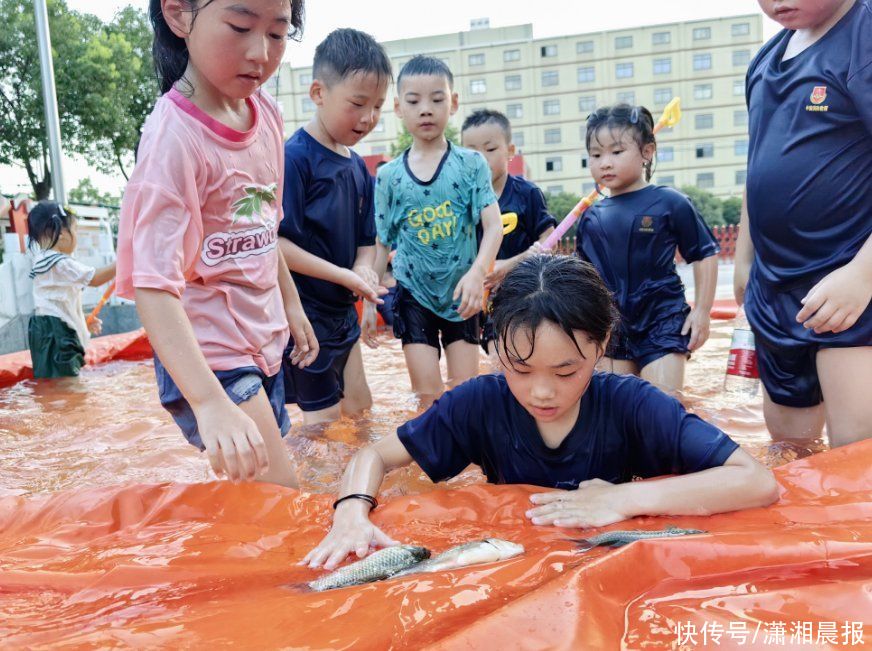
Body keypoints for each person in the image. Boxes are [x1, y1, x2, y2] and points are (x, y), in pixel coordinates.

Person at [302, 255, 778, 569]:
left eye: (566, 371)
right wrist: (350, 512)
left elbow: (757, 481)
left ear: (602, 346)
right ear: (494, 347)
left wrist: (622, 500)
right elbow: (374, 456)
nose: (542, 392)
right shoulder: (479, 402)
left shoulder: (633, 404)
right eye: (519, 369)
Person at [116, 0, 317, 487]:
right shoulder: (173, 139)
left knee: (263, 490)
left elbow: (266, 229)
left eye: (276, 33)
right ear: (180, 15)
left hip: (262, 341)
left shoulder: (265, 113)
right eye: (240, 26)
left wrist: (292, 305)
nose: (259, 53)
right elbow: (153, 285)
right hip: (210, 357)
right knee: (282, 498)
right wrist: (208, 402)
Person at [735, 0, 872, 448]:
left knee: (857, 453)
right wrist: (744, 259)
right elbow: (759, 169)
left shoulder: (862, 35)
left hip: (850, 284)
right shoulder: (766, 59)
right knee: (789, 452)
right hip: (775, 290)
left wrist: (862, 274)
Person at [363, 56, 503, 406]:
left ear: (453, 103)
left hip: (462, 294)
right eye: (414, 101)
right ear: (398, 107)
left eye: (437, 99)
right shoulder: (388, 176)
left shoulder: (471, 164)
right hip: (413, 294)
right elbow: (382, 243)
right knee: (426, 398)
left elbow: (494, 225)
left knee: (464, 394)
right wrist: (369, 301)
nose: (426, 109)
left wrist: (477, 272)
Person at [279, 28, 392, 426]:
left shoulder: (358, 168)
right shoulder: (294, 158)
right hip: (304, 315)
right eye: (358, 103)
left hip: (341, 311)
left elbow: (367, 239)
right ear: (318, 93)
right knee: (320, 423)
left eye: (378, 106)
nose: (369, 117)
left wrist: (363, 269)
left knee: (361, 410)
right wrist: (343, 275)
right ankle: (312, 490)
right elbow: (277, 246)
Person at [577, 104, 719, 393]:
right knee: (620, 410)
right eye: (595, 155)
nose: (605, 162)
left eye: (616, 152)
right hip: (612, 325)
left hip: (662, 319)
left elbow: (704, 253)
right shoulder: (591, 217)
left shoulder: (670, 202)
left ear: (647, 152)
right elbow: (584, 278)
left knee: (663, 406)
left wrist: (702, 311)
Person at [460, 108, 557, 358]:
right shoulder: (459, 201)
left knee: (507, 362)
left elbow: (550, 240)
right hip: (476, 301)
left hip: (521, 297)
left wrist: (516, 263)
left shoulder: (527, 194)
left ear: (510, 152)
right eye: (472, 152)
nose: (480, 159)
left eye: (490, 150)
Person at [26, 202, 116, 378]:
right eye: (75, 231)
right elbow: (96, 279)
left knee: (55, 379)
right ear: (61, 234)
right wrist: (124, 262)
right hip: (56, 332)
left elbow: (58, 301)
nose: (76, 237)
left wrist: (83, 320)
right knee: (67, 382)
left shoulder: (45, 260)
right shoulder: (58, 261)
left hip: (49, 329)